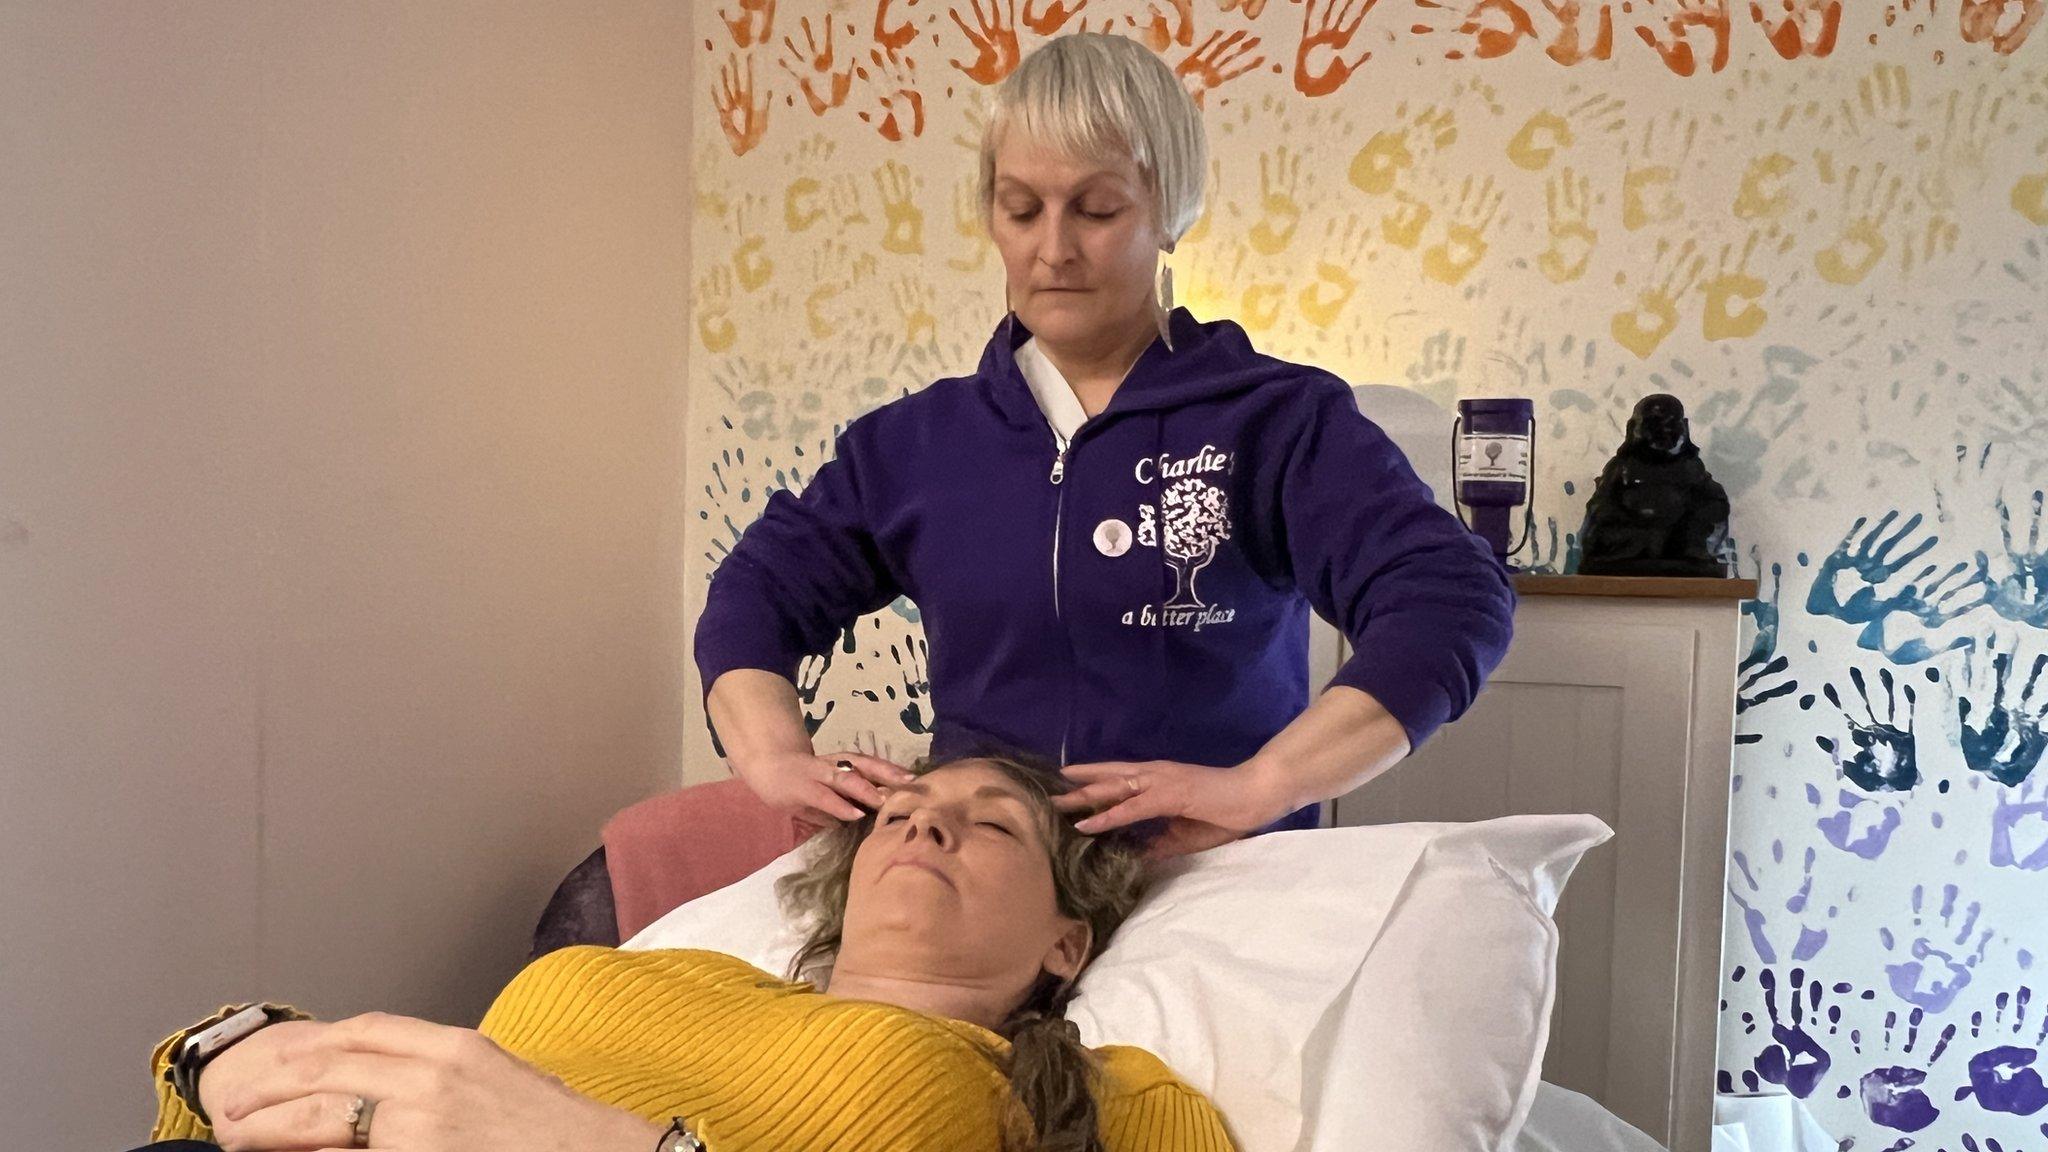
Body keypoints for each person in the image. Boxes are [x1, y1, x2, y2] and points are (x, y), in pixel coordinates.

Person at [697, 33, 1515, 857]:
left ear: (1171, 212)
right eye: (1021, 210)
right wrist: (771, 757)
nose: (1052, 249)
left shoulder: (1277, 422)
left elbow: (1452, 599)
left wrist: (1264, 785)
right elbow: (755, 597)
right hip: (987, 890)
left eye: (1096, 210)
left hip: (1207, 882)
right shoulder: (912, 447)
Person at [131, 755, 1233, 1152]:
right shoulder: (677, 968)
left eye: (991, 823)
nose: (920, 825)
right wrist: (222, 1056)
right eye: (898, 809)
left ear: (1065, 936)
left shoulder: (1088, 1092)